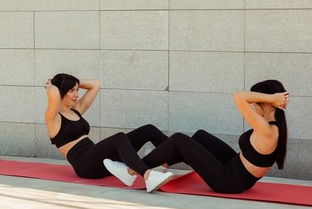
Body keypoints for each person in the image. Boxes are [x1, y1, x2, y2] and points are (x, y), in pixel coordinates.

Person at [109, 79, 289, 194]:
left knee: (179, 139)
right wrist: (272, 100)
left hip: (228, 181)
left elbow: (239, 97)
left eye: (257, 103)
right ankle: (162, 164)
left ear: (267, 102)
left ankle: (132, 171)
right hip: (238, 171)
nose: (254, 107)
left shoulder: (266, 130)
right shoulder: (278, 127)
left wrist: (272, 98)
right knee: (200, 137)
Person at [44, 73, 174, 193]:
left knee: (148, 130)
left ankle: (174, 155)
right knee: (119, 138)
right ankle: (148, 176)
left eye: (77, 90)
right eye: (71, 91)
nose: (76, 95)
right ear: (61, 91)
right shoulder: (53, 119)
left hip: (101, 160)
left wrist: (74, 82)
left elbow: (95, 85)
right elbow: (54, 93)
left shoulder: (76, 110)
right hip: (85, 166)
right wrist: (52, 86)